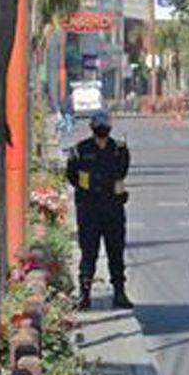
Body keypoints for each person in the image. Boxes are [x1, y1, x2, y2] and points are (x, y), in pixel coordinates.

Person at [66, 110, 132, 310]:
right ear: (92, 127)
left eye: (105, 123)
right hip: (89, 208)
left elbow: (122, 172)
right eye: (99, 123)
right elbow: (72, 175)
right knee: (89, 251)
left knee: (116, 251)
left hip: (113, 207)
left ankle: (119, 293)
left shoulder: (119, 149)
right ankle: (84, 295)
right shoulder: (80, 149)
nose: (102, 127)